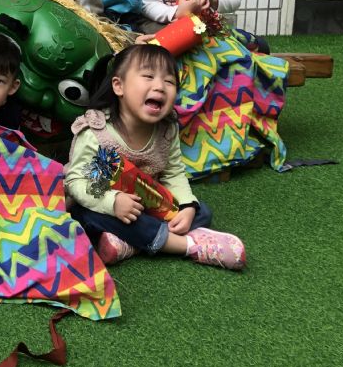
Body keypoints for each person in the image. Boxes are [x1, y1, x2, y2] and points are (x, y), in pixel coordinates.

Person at [64, 44, 246, 270]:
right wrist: (113, 202)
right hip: (100, 203)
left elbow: (173, 172)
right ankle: (188, 246)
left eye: (169, 81)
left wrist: (187, 206)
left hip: (149, 204)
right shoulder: (97, 133)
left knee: (201, 211)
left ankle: (129, 243)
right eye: (148, 76)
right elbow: (76, 183)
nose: (160, 86)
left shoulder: (166, 129)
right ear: (119, 86)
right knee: (86, 216)